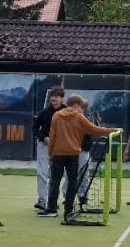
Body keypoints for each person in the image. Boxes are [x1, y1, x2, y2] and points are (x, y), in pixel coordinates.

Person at [45, 95, 120, 224]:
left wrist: (50, 154)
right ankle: (68, 210)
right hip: (73, 153)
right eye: (81, 107)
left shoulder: (56, 116)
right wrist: (113, 130)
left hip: (58, 153)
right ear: (76, 105)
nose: (82, 109)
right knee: (72, 182)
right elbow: (94, 129)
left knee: (54, 181)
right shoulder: (78, 117)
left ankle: (51, 208)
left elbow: (52, 136)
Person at [32, 86, 65, 213]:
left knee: (57, 174)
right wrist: (43, 137)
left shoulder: (66, 112)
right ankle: (42, 200)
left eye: (56, 96)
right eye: (52, 96)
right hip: (44, 145)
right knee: (42, 172)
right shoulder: (45, 112)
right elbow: (35, 128)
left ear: (61, 98)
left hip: (60, 146)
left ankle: (53, 200)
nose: (53, 99)